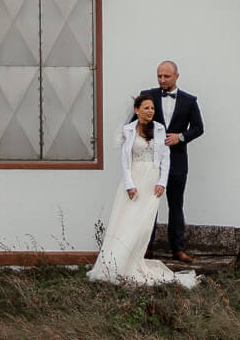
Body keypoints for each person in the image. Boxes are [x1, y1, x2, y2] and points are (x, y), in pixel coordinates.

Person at [86, 94, 197, 287]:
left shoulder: (160, 129)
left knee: (144, 223)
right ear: (137, 110)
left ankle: (135, 259)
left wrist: (162, 182)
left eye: (152, 108)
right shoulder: (128, 130)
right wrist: (129, 185)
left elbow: (165, 158)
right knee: (127, 220)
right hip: (134, 181)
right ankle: (116, 264)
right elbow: (124, 160)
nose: (151, 111)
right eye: (146, 108)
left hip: (152, 182)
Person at [138, 60, 204, 262]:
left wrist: (180, 137)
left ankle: (178, 249)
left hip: (177, 160)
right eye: (159, 76)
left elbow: (198, 128)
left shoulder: (189, 101)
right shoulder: (147, 96)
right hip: (150, 161)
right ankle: (146, 248)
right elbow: (134, 122)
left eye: (166, 76)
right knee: (150, 205)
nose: (162, 80)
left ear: (176, 76)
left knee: (176, 205)